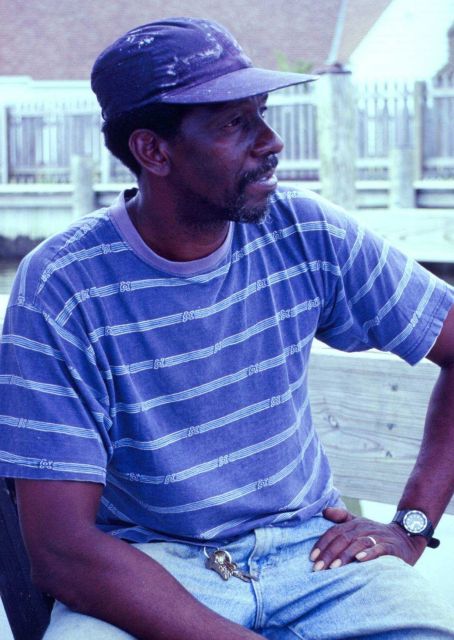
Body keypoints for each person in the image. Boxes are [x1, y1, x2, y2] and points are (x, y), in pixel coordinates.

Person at [0, 17, 453, 640]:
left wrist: (411, 527)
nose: (272, 141)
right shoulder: (62, 287)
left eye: (261, 113)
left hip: (317, 555)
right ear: (152, 151)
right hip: (149, 569)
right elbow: (61, 549)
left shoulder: (305, 233)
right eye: (235, 123)